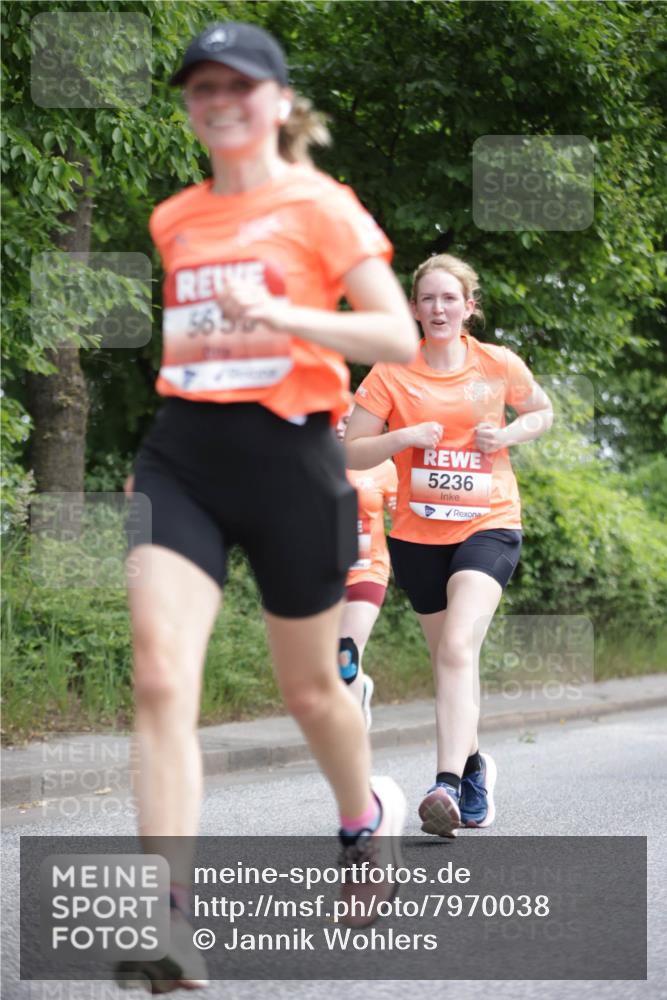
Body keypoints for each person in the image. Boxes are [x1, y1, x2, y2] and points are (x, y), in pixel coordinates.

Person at [120, 21, 417, 992]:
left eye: (238, 85)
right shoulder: (175, 218)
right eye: (200, 87)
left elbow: (396, 333)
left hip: (296, 462)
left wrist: (290, 317)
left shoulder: (321, 207)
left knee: (309, 691)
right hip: (183, 459)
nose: (218, 100)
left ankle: (362, 817)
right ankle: (166, 920)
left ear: (278, 103)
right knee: (163, 678)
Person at [345, 253, 553, 839]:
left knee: (459, 646)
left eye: (449, 299)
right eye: (428, 299)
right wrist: (404, 436)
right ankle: (476, 763)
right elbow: (353, 449)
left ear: (469, 307)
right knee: (447, 661)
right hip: (417, 535)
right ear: (414, 308)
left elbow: (541, 411)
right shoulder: (392, 370)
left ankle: (446, 785)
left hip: (489, 523)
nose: (439, 308)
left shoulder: (496, 363)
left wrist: (507, 432)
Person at [335, 405, 397, 729]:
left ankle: (352, 738)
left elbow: (404, 521)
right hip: (322, 575)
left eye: (347, 419)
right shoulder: (310, 461)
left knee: (345, 652)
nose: (340, 425)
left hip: (367, 569)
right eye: (335, 418)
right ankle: (361, 687)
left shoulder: (382, 468)